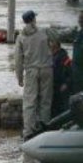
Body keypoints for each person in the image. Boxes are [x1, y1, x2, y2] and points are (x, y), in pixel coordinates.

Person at [14, 10, 53, 141]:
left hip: (31, 71)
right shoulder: (44, 32)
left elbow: (18, 60)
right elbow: (56, 40)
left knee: (30, 102)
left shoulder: (21, 37)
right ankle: (44, 128)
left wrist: (19, 77)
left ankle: (29, 132)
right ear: (33, 20)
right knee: (45, 101)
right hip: (47, 69)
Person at [50, 40, 72, 118]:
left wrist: (66, 84)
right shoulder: (53, 57)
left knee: (60, 107)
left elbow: (69, 73)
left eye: (53, 47)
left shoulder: (64, 58)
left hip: (61, 86)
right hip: (55, 85)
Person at [72, 11, 83, 94]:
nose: (80, 20)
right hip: (76, 73)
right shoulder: (79, 33)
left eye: (81, 18)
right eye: (79, 18)